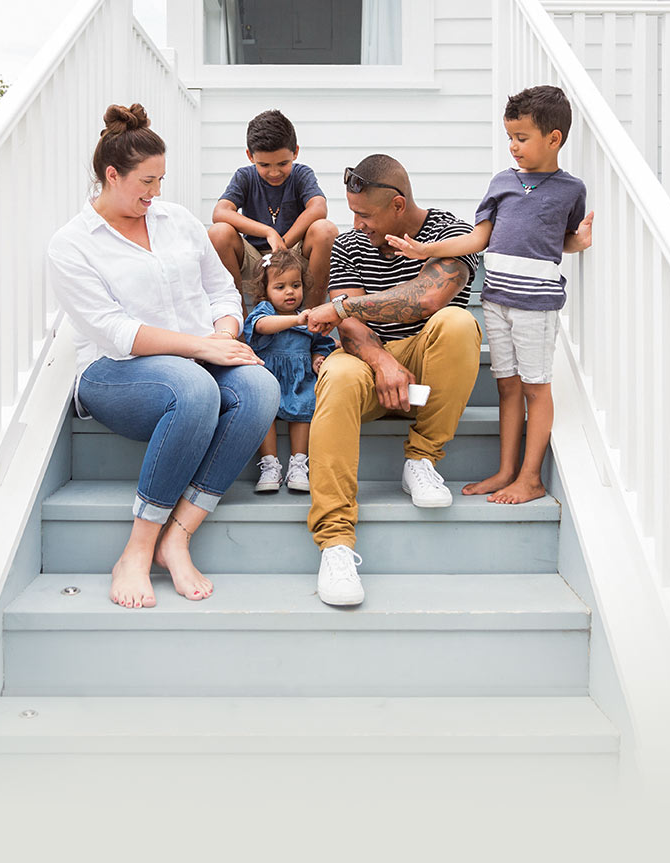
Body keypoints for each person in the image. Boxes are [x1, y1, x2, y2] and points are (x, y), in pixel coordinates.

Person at [47, 103, 280, 609]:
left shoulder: (177, 221)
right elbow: (116, 332)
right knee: (194, 388)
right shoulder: (71, 245)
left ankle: (180, 533)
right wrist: (202, 347)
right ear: (112, 176)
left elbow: (221, 289)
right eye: (146, 182)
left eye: (160, 180)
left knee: (261, 388)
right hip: (117, 373)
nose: (155, 193)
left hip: (198, 356)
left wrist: (223, 331)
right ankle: (136, 549)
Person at [387, 85, 594, 504]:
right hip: (497, 301)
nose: (513, 147)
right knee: (507, 387)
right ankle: (505, 470)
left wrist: (580, 242)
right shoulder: (502, 182)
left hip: (536, 304)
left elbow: (560, 240)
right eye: (510, 138)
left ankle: (531, 477)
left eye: (522, 138)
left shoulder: (570, 190)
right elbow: (478, 237)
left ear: (554, 139)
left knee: (536, 387)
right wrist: (427, 249)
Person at [301, 155, 483, 606]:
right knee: (339, 373)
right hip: (368, 366)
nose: (355, 224)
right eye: (352, 213)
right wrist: (381, 361)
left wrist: (344, 307)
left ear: (398, 205)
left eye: (365, 215)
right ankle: (336, 543)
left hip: (426, 368)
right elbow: (350, 330)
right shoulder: (347, 246)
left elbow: (426, 299)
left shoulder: (449, 233)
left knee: (457, 324)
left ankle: (421, 460)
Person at [208, 109, 338, 310]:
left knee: (325, 230)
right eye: (265, 165)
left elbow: (318, 208)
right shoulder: (245, 177)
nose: (275, 172)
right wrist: (268, 232)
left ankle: (313, 322)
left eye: (283, 163)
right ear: (250, 156)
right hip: (256, 260)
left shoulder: (301, 174)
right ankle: (240, 324)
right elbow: (220, 212)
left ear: (295, 152)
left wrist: (283, 243)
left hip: (293, 255)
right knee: (218, 232)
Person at [241, 249, 336, 494]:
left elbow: (320, 343)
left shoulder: (307, 316)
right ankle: (270, 465)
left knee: (304, 410)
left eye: (295, 285)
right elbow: (260, 327)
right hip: (269, 377)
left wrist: (318, 358)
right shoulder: (266, 312)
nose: (290, 292)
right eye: (280, 287)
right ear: (265, 291)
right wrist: (296, 321)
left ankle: (299, 463)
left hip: (299, 379)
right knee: (265, 414)